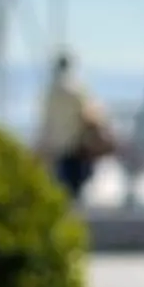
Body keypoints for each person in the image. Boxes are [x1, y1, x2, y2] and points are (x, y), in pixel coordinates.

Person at [36, 52, 109, 200]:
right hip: (76, 150)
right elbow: (91, 116)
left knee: (61, 193)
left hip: (58, 151)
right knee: (74, 194)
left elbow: (46, 124)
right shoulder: (76, 90)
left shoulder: (50, 92)